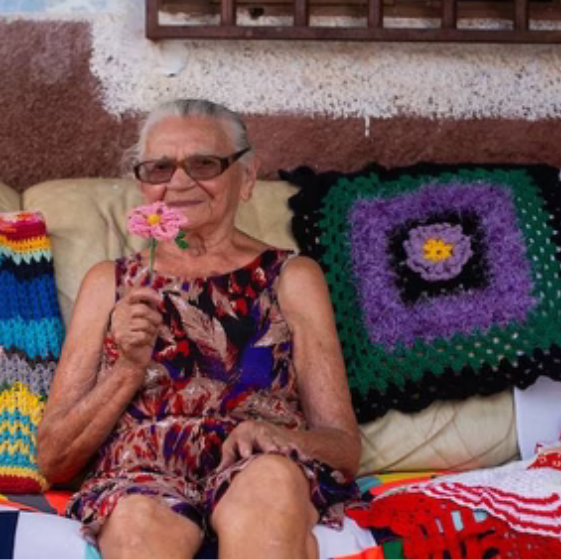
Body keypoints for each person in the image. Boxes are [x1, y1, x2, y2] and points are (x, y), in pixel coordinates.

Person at [37, 99, 360, 559]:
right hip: (141, 474)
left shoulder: (292, 278)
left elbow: (343, 448)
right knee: (137, 526)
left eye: (204, 163)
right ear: (142, 185)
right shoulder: (110, 283)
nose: (180, 182)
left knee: (270, 487)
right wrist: (127, 367)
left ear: (246, 178)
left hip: (257, 464)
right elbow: (54, 459)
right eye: (160, 167)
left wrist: (282, 440)